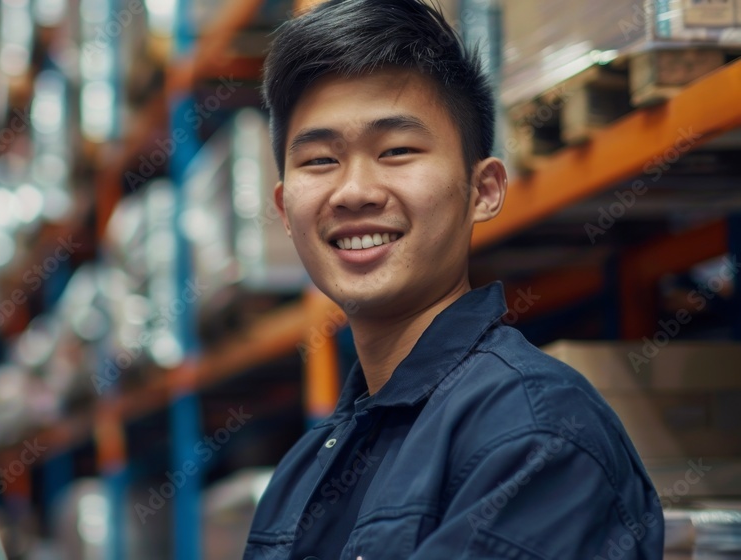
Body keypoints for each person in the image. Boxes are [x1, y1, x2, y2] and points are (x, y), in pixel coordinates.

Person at [244, 0, 665, 558]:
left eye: (397, 150)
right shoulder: (300, 475)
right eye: (320, 160)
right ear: (283, 206)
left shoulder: (532, 434)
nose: (354, 192)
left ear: (483, 190)